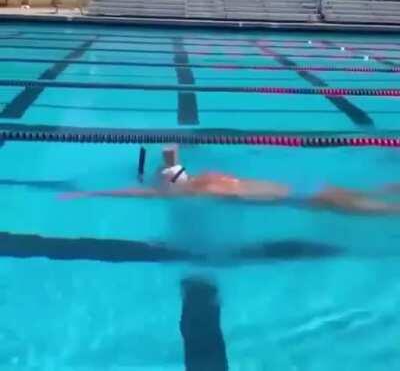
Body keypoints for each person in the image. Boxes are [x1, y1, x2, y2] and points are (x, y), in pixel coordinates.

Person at [59, 145, 400, 216]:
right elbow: (138, 193)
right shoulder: (194, 187)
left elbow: (139, 192)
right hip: (291, 193)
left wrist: (91, 192)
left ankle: (389, 200)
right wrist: (92, 192)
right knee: (351, 201)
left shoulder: (193, 187)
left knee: (352, 201)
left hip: (291, 192)